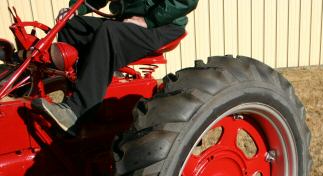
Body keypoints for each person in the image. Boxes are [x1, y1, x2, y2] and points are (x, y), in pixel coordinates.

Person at [33, 0, 199, 133]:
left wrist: (148, 20)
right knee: (72, 26)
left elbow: (185, 2)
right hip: (129, 19)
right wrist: (76, 8)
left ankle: (76, 111)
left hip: (163, 24)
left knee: (110, 32)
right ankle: (78, 95)